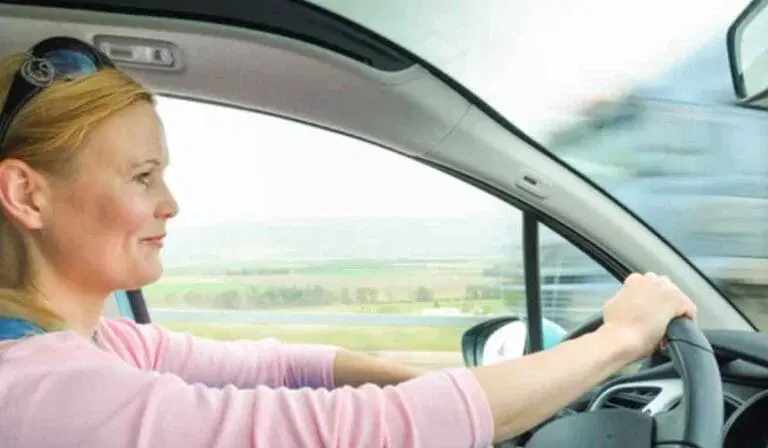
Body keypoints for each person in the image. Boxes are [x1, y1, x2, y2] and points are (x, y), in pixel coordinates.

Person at [0, 37, 697, 448]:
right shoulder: (40, 389)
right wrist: (619, 340)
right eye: (142, 176)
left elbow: (279, 370)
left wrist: (438, 385)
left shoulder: (105, 344)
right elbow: (351, 432)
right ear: (27, 194)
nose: (170, 204)